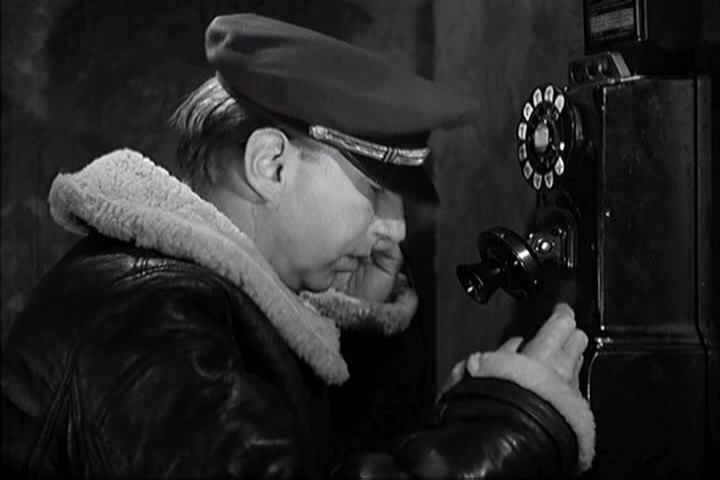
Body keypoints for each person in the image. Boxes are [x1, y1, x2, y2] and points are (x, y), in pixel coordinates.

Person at [1, 13, 595, 478]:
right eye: (376, 191)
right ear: (272, 165)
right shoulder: (140, 312)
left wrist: (358, 329)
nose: (396, 230)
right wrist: (513, 427)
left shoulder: (200, 299)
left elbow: (320, 458)